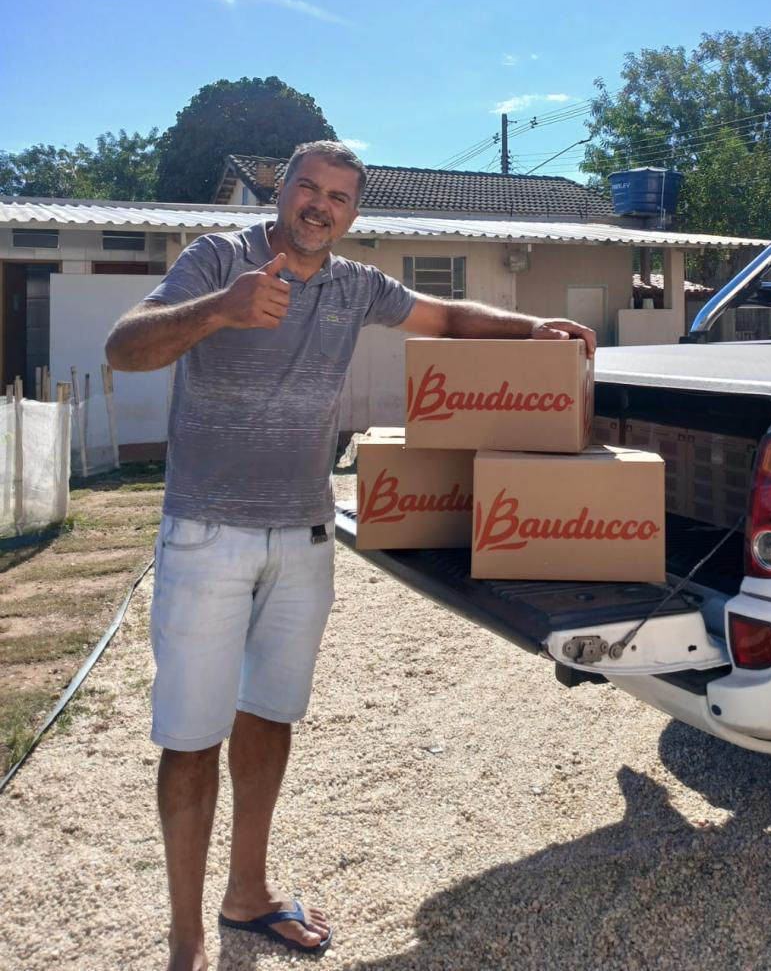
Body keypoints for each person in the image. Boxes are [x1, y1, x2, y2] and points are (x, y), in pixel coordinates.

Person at [105, 139, 595, 971]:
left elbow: (446, 319)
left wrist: (532, 327)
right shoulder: (218, 260)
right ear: (281, 191)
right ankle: (186, 943)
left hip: (304, 533)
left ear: (353, 212)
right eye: (308, 187)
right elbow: (124, 347)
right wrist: (219, 309)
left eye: (338, 196)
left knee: (270, 717)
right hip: (207, 532)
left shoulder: (355, 284)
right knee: (190, 737)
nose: (320, 205)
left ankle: (247, 893)